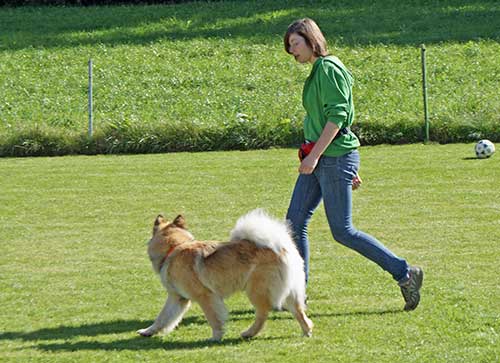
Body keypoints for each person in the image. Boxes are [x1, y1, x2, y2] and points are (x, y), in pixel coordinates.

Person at [283, 18, 423, 311]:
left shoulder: (328, 68)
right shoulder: (319, 71)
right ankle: (297, 293)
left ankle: (404, 273)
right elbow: (325, 120)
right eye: (289, 46)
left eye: (295, 43)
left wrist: (316, 156)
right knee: (294, 223)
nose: (291, 51)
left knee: (342, 231)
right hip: (326, 158)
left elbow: (338, 116)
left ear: (311, 40)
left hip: (330, 159)